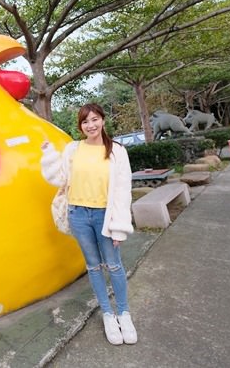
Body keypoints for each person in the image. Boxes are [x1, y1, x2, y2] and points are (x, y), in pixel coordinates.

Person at [40, 103, 137, 345]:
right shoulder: (73, 149)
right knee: (93, 267)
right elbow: (61, 178)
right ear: (80, 126)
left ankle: (124, 314)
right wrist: (49, 155)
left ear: (103, 120)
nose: (90, 125)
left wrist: (120, 225)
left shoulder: (117, 151)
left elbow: (124, 190)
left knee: (113, 265)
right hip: (78, 214)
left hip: (106, 215)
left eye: (94, 119)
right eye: (85, 122)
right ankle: (107, 313)